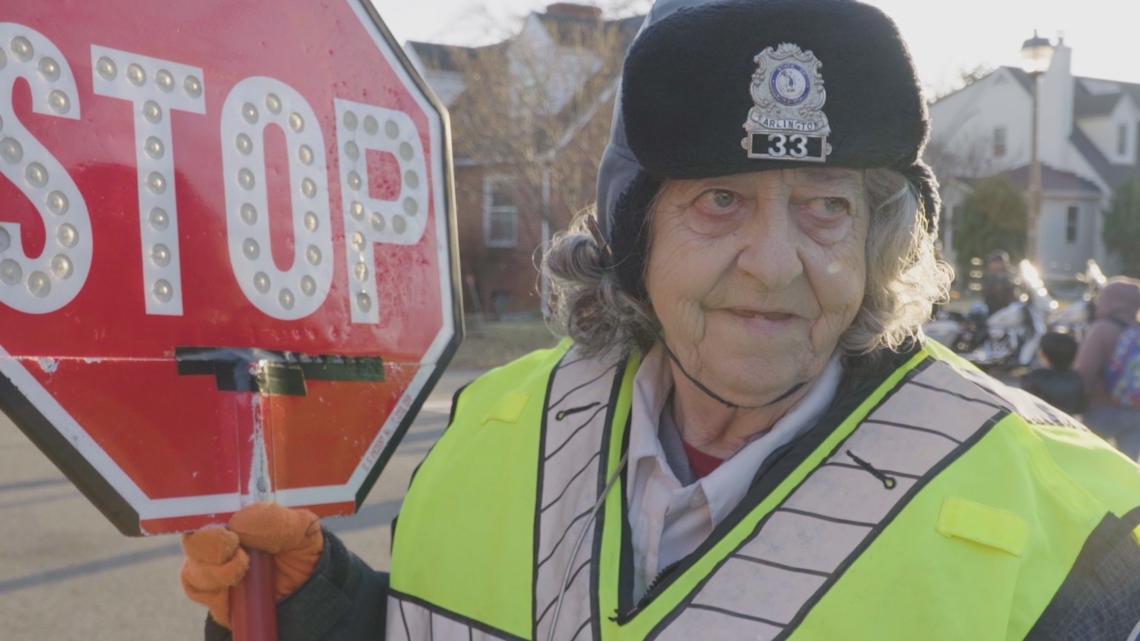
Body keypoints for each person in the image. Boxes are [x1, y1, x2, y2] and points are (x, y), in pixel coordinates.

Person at [180, 1, 1140, 638]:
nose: (775, 262)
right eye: (720, 199)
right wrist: (327, 610)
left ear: (880, 237)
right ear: (635, 231)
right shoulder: (497, 424)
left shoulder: (1079, 532)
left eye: (826, 204)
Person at [1074, 277, 1140, 459]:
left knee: (1089, 460)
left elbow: (1085, 370)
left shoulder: (1102, 329)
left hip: (1101, 409)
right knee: (1127, 466)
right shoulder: (1137, 329)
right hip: (1136, 411)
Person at [1019, 331, 1087, 416]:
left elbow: (1024, 408)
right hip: (1069, 425)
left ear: (1043, 355)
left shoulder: (1032, 378)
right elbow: (1080, 409)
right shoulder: (1077, 378)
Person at [980, 250, 1019, 317]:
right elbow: (986, 293)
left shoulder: (1010, 275)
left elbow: (1016, 283)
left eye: (998, 262)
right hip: (993, 312)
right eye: (994, 262)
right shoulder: (989, 277)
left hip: (1009, 310)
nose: (996, 264)